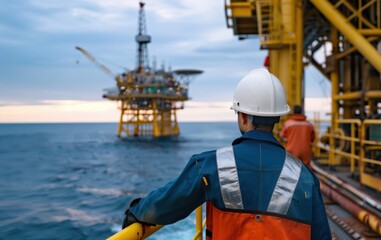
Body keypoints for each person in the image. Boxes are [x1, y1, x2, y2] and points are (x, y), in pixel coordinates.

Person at [122, 68, 331, 239]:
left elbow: (166, 204)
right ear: (277, 118)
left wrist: (136, 211)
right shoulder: (304, 176)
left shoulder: (212, 165)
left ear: (242, 117)